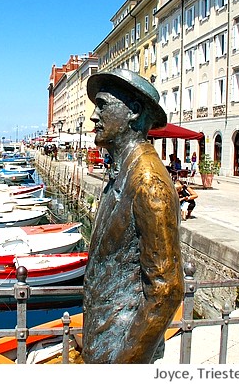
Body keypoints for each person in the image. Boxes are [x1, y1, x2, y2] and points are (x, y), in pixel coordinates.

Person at [82, 68, 184, 364]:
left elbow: (166, 291)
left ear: (133, 112)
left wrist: (126, 364)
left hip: (121, 353)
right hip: (106, 341)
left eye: (102, 105)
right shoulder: (123, 171)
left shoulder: (147, 180)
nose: (93, 116)